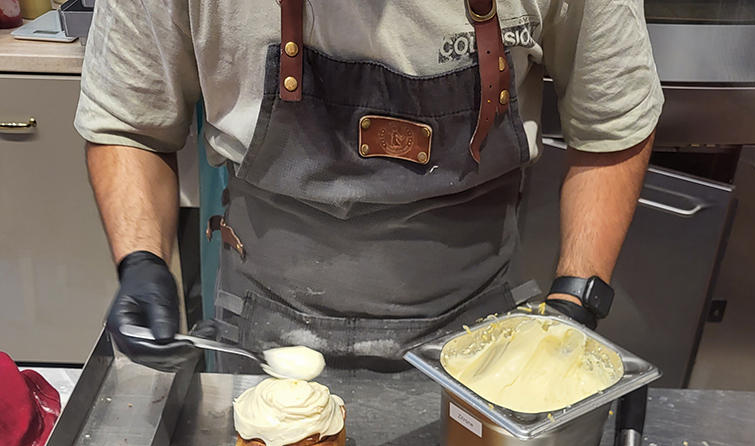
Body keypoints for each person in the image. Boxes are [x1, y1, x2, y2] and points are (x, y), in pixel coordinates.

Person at [75, 0, 663, 372]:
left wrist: (574, 301)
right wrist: (142, 261)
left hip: (483, 345)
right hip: (258, 330)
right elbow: (128, 122)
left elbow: (612, 122)